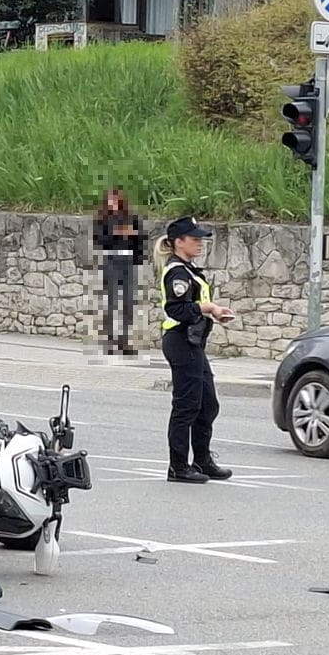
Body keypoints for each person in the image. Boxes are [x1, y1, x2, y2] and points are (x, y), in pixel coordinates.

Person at [155, 216, 236, 483]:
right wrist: (207, 308)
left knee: (208, 404)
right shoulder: (177, 272)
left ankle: (201, 460)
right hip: (180, 341)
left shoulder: (188, 269)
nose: (200, 243)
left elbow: (192, 306)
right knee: (186, 406)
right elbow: (175, 309)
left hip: (192, 342)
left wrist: (213, 313)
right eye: (194, 239)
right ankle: (178, 466)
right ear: (178, 242)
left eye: (200, 238)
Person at [93, 187, 144, 355]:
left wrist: (138, 257)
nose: (113, 204)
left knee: (128, 302)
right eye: (110, 200)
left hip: (128, 259)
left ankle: (124, 339)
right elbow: (100, 240)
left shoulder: (131, 218)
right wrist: (117, 233)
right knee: (112, 302)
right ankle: (109, 339)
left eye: (116, 200)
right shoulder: (102, 219)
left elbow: (139, 239)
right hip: (111, 259)